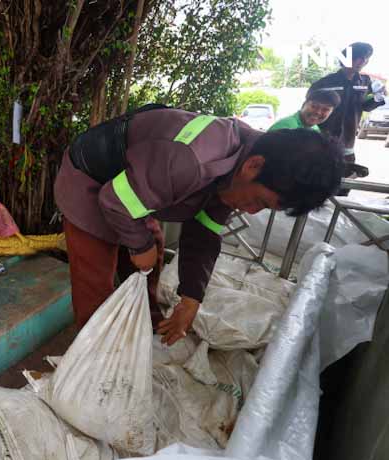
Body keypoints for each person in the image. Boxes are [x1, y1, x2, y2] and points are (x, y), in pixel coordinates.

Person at [54, 105, 344, 345]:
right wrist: (137, 244)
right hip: (91, 180)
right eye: (260, 202)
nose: (253, 212)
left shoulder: (248, 161)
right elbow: (116, 199)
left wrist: (191, 299)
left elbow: (204, 230)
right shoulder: (191, 161)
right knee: (97, 280)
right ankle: (92, 356)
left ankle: (147, 328)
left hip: (135, 186)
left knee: (149, 255)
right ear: (253, 166)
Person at [308, 42, 386, 182]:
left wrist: (378, 97)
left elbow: (364, 107)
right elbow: (310, 106)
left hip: (349, 141)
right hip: (325, 140)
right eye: (359, 57)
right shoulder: (326, 82)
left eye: (366, 58)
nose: (363, 62)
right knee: (320, 182)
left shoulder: (365, 81)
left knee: (344, 186)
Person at [269, 89, 341, 131]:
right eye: (314, 106)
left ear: (331, 112)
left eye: (325, 109)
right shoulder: (288, 126)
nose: (318, 112)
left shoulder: (315, 129)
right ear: (304, 104)